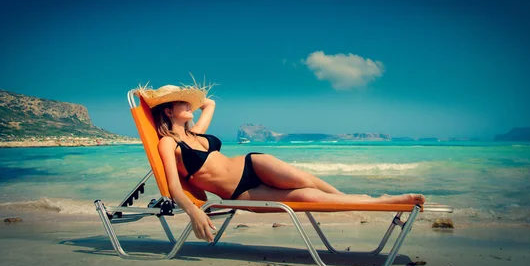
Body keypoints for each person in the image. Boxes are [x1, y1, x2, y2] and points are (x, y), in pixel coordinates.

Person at [137, 83, 426, 243]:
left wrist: (175, 100)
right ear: (168, 110)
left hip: (254, 163)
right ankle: (382, 201)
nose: (190, 105)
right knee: (308, 197)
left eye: (188, 102)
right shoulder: (168, 143)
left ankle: (366, 200)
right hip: (239, 193)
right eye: (182, 103)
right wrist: (194, 213)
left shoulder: (195, 132)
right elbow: (174, 187)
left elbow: (210, 103)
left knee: (308, 180)